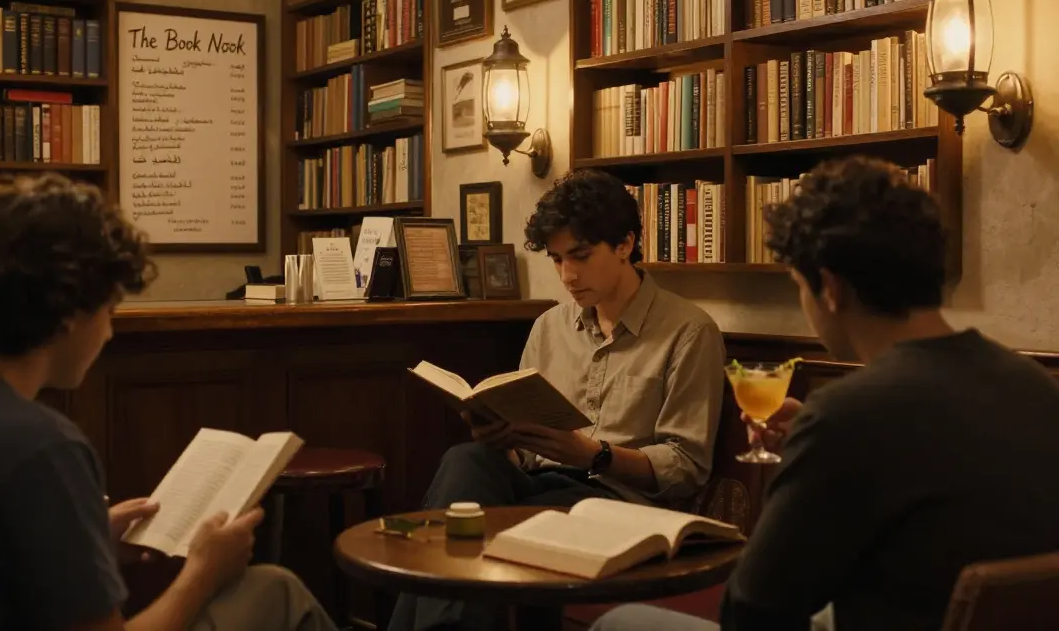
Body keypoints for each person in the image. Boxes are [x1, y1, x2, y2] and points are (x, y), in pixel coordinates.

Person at [0, 174, 335, 631]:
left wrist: (85, 536)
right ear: (67, 315)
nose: (109, 333)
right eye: (108, 311)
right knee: (277, 590)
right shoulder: (41, 447)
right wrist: (203, 571)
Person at [591, 156, 1059, 631]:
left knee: (622, 621)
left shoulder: (849, 416)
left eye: (799, 285)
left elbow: (752, 610)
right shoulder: (1034, 384)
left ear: (830, 289)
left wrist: (821, 439)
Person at [390, 169, 725, 631]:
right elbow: (524, 454)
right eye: (557, 260)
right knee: (465, 461)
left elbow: (686, 466)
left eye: (580, 256)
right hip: (540, 484)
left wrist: (594, 454)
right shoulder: (550, 327)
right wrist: (498, 435)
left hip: (617, 502)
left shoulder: (688, 331)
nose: (567, 275)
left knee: (456, 538)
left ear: (625, 244)